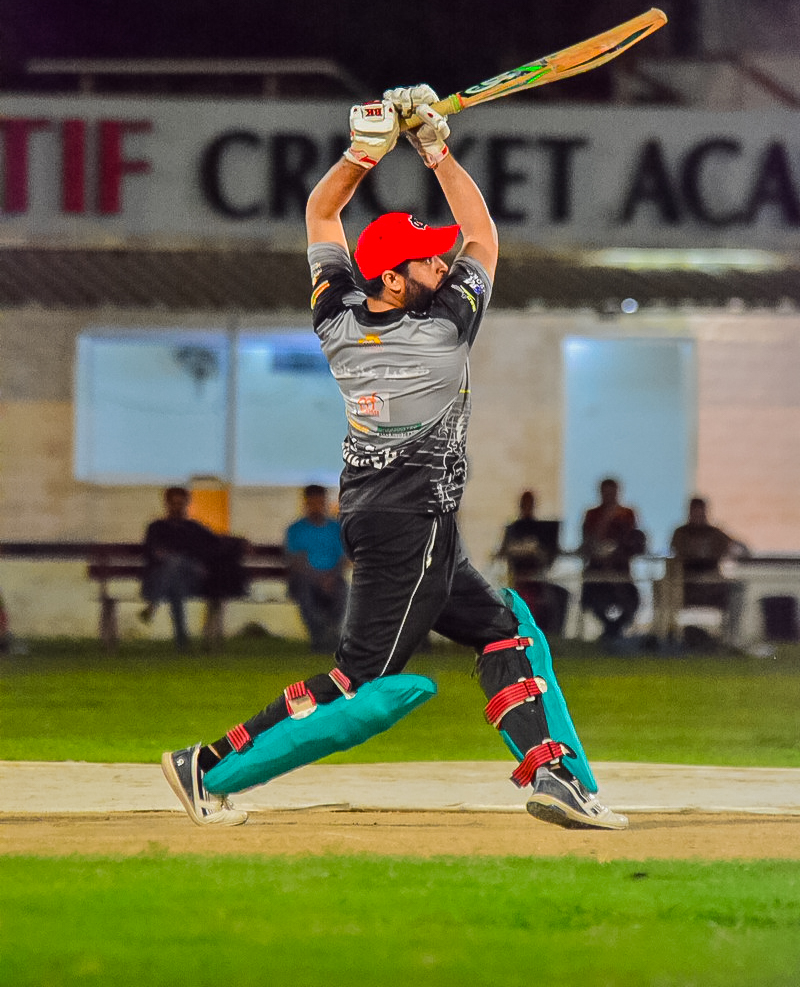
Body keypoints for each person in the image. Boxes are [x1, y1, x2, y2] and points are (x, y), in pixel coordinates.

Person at [162, 86, 627, 831]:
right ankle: (210, 766)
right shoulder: (441, 334)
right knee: (361, 684)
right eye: (426, 262)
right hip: (411, 523)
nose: (442, 266)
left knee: (508, 630)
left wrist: (362, 153)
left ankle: (558, 777)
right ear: (390, 277)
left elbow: (321, 215)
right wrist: (434, 150)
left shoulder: (337, 316)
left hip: (385, 515)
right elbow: (484, 235)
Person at [141, 485, 247, 650]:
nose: (177, 507)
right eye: (174, 503)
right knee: (174, 569)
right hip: (157, 581)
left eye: (181, 504)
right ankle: (181, 642)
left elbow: (218, 541)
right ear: (167, 504)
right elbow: (152, 553)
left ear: (186, 504)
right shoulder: (156, 527)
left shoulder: (194, 528)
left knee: (175, 568)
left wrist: (241, 542)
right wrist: (187, 563)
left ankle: (153, 606)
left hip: (188, 583)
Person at [654, 497, 748, 647]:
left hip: (711, 583)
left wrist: (730, 547)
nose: (697, 516)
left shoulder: (715, 533)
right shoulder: (681, 533)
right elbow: (676, 554)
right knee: (662, 586)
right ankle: (665, 636)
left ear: (705, 513)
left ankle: (731, 639)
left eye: (700, 512)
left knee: (737, 588)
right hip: (685, 584)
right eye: (694, 511)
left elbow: (742, 549)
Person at [580, 478, 645, 643]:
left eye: (612, 492)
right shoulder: (592, 515)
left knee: (632, 599)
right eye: (606, 492)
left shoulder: (627, 514)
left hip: (620, 569)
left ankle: (614, 630)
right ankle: (609, 630)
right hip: (597, 570)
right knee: (592, 597)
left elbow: (631, 540)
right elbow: (588, 541)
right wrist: (605, 520)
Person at [496, 491, 569, 637]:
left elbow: (549, 556)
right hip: (520, 581)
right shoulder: (514, 528)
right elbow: (503, 552)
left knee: (559, 597)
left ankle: (553, 636)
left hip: (539, 581)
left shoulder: (543, 529)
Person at [284, 484, 347, 652]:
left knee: (342, 590)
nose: (316, 507)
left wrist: (330, 578)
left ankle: (330, 633)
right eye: (312, 503)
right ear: (306, 503)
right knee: (303, 589)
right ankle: (320, 635)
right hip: (306, 578)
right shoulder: (296, 530)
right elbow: (296, 561)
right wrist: (318, 579)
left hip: (332, 578)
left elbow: (342, 558)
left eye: (319, 502)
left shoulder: (336, 529)